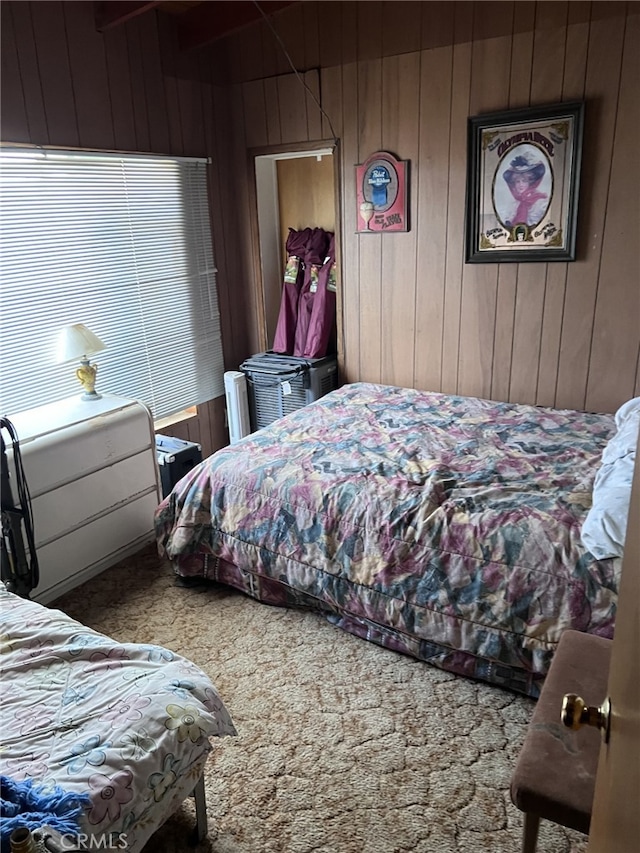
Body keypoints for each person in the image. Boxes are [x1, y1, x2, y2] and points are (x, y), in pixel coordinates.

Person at [500, 151, 549, 228]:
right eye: (517, 181)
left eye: (524, 181)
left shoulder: (541, 202)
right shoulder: (514, 202)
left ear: (530, 182)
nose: (521, 184)